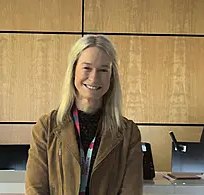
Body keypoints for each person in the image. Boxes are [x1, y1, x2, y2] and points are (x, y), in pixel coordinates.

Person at [25, 35, 143, 195]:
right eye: (87, 68)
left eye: (103, 70)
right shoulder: (46, 127)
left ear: (111, 77)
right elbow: (36, 190)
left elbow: (131, 192)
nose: (94, 77)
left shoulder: (129, 133)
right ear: (73, 70)